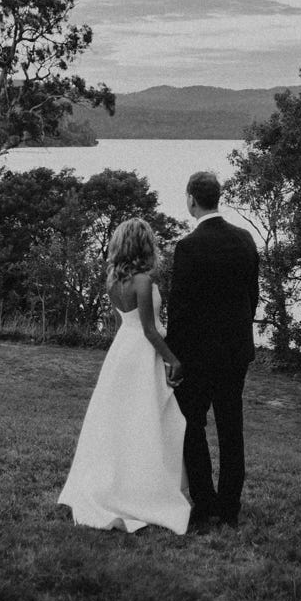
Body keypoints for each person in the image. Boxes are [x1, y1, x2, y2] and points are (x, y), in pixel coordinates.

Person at [58, 217, 191, 535]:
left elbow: (124, 326)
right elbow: (148, 329)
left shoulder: (113, 280)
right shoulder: (143, 281)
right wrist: (173, 360)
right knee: (149, 420)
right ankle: (144, 491)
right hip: (142, 352)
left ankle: (125, 482)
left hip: (122, 352)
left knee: (123, 422)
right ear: (144, 245)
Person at [166, 171, 259, 532]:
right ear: (217, 198)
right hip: (235, 353)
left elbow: (181, 310)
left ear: (191, 198)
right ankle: (230, 508)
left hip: (199, 356)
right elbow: (252, 298)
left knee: (192, 426)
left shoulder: (188, 247)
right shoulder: (245, 240)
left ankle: (205, 505)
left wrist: (174, 358)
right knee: (231, 427)